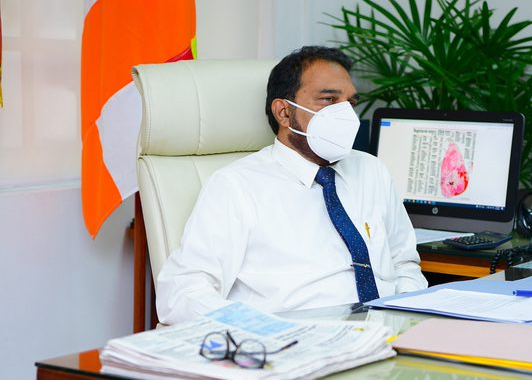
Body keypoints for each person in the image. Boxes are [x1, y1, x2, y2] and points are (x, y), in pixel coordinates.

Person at [156, 46, 427, 324]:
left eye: (350, 103)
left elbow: (403, 263)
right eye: (329, 100)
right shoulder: (236, 186)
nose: (346, 114)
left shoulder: (371, 170)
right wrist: (261, 331)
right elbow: (182, 293)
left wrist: (405, 317)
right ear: (284, 112)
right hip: (293, 340)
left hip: (386, 335)